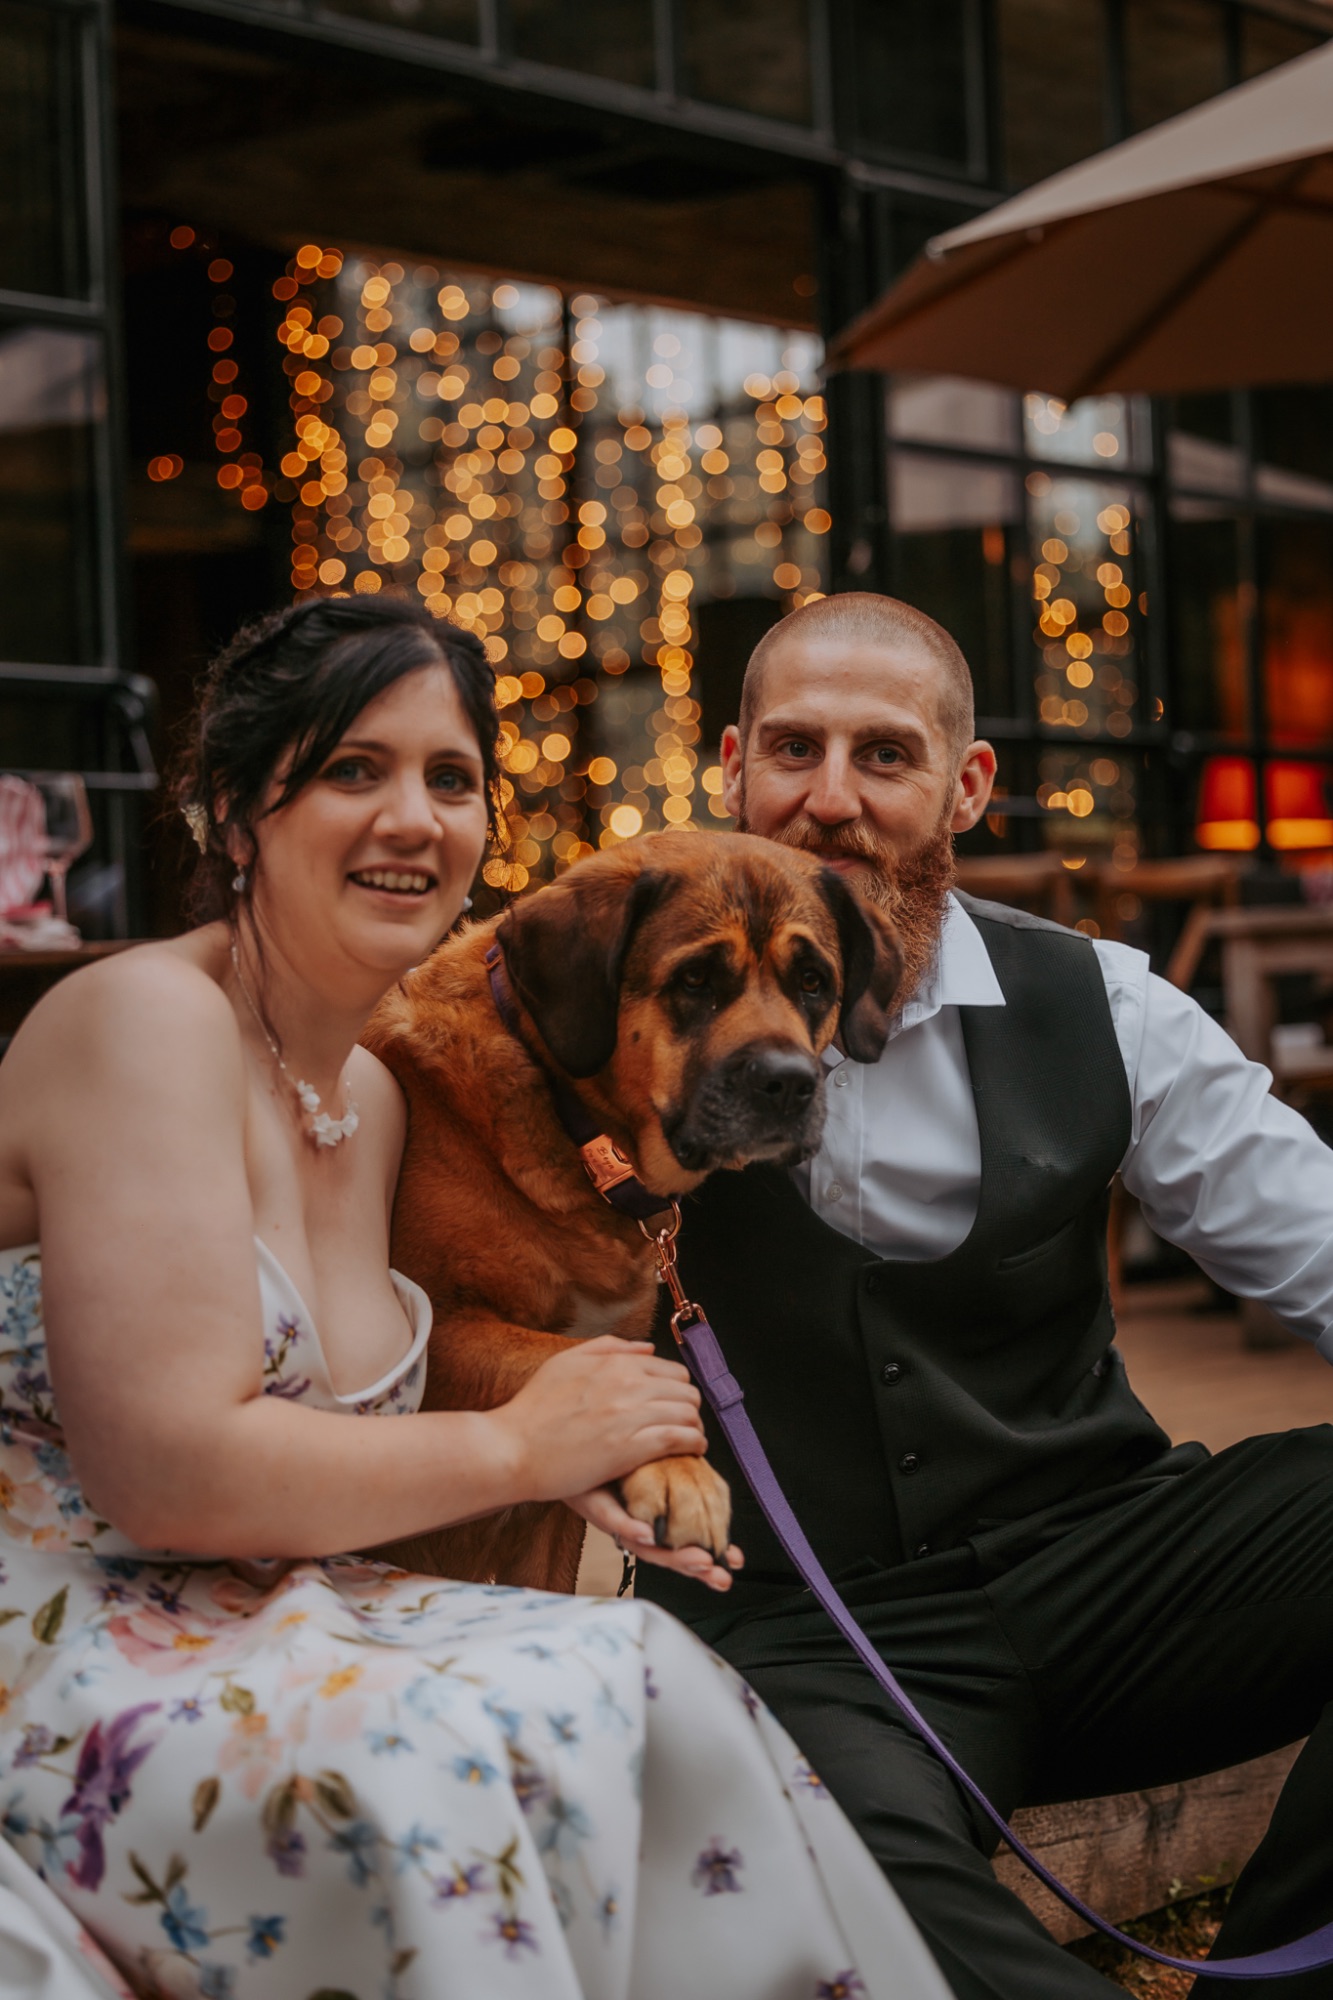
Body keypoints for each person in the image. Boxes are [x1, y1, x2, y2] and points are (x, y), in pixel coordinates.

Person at [0, 596, 951, 2000]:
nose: (413, 817)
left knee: (649, 1677)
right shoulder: (143, 1020)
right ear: (231, 813)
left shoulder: (372, 1099)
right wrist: (525, 1445)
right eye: (352, 769)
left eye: (450, 778)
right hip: (64, 1629)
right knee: (438, 1758)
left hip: (287, 1605)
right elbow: (165, 1475)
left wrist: (572, 1462)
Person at [635, 589, 1333, 2000]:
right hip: (812, 1634)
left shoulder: (1104, 1005)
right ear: (732, 768)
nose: (832, 797)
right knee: (824, 1861)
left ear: (966, 787)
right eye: (795, 749)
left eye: (884, 755)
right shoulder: (615, 1009)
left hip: (1117, 1579)